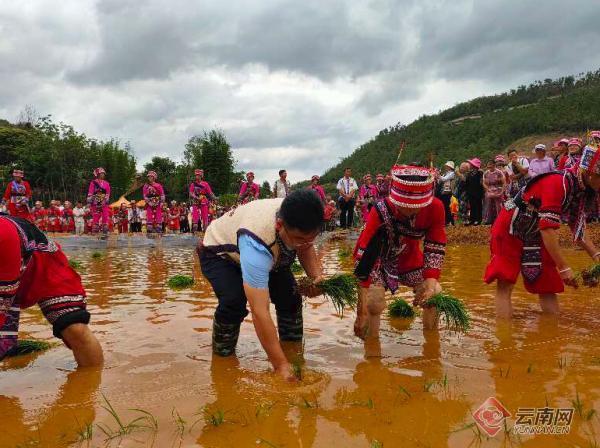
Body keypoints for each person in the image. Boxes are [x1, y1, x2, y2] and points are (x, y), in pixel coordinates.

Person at [199, 190, 324, 381]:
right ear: (279, 224)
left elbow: (305, 245)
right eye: (299, 239)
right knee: (234, 302)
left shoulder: (298, 214)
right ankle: (223, 360)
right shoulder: (257, 243)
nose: (305, 244)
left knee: (290, 298)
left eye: (311, 237)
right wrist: (280, 366)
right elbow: (259, 312)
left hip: (271, 251)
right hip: (221, 253)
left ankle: (293, 352)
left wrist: (316, 277)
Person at [484, 143, 600, 318]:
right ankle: (504, 338)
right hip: (510, 228)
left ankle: (551, 334)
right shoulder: (559, 183)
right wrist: (563, 267)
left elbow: (579, 229)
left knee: (547, 283)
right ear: (590, 174)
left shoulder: (582, 190)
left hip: (535, 231)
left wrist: (597, 257)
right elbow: (548, 230)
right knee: (505, 282)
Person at [353, 163, 446, 338]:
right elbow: (365, 259)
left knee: (435, 295)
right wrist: (361, 312)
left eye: (415, 206)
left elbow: (435, 248)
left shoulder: (436, 208)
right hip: (377, 262)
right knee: (374, 301)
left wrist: (430, 286)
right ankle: (372, 354)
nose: (410, 210)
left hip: (409, 261)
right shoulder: (380, 209)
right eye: (405, 205)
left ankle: (431, 347)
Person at [0, 214, 103, 366]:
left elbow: (3, 303)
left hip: (43, 266)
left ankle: (91, 383)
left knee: (74, 328)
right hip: (9, 270)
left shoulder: (3, 234)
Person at [87, 167, 111, 237]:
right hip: (95, 202)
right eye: (101, 173)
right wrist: (89, 201)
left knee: (105, 217)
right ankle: (95, 233)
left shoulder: (106, 183)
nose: (103, 175)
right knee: (95, 217)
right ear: (98, 174)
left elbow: (108, 193)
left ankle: (105, 233)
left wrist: (105, 200)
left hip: (104, 202)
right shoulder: (93, 182)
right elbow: (90, 192)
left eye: (104, 173)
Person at [483, 157, 506, 225]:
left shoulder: (499, 172)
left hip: (498, 190)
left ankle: (500, 219)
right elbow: (484, 183)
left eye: (490, 164)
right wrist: (487, 189)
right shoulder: (486, 173)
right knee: (488, 205)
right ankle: (489, 220)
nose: (489, 166)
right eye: (488, 164)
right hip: (489, 190)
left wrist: (502, 191)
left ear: (494, 164)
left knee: (498, 206)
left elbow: (504, 182)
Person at [465, 158, 484, 225]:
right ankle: (472, 219)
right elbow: (467, 183)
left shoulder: (480, 173)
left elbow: (481, 183)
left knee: (478, 206)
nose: (470, 165)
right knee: (472, 206)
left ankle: (478, 219)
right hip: (470, 192)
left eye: (471, 164)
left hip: (478, 192)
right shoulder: (469, 174)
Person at [437, 161, 456, 226]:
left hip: (447, 192)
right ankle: (447, 221)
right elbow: (440, 180)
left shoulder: (452, 173)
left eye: (447, 166)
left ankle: (449, 221)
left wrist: (438, 175)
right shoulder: (446, 173)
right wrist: (438, 176)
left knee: (447, 207)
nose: (446, 167)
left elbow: (444, 179)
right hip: (443, 191)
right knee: (444, 206)